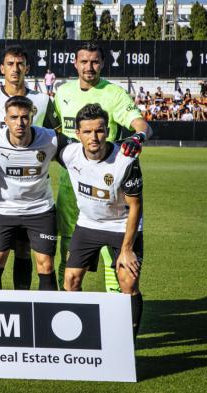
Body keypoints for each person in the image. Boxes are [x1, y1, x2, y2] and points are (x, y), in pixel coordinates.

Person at [53, 42, 152, 293]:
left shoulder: (114, 94)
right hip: (71, 183)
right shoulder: (62, 92)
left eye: (95, 61)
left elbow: (142, 125)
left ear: (103, 63)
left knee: (113, 255)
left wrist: (138, 137)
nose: (89, 67)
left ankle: (115, 304)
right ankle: (68, 306)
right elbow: (52, 133)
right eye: (84, 61)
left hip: (107, 181)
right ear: (75, 63)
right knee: (68, 245)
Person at [0, 45, 60, 290]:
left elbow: (56, 137)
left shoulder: (41, 100)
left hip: (31, 190)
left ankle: (23, 303)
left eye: (20, 64)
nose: (15, 69)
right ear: (2, 68)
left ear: (27, 68)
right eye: (10, 64)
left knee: (24, 250)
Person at [60, 103, 144, 340]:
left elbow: (136, 205)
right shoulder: (69, 154)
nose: (93, 137)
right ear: (78, 134)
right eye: (87, 132)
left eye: (99, 130)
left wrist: (127, 249)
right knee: (71, 280)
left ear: (108, 131)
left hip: (122, 225)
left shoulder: (126, 161)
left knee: (128, 282)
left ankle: (128, 344)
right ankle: (77, 335)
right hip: (88, 225)